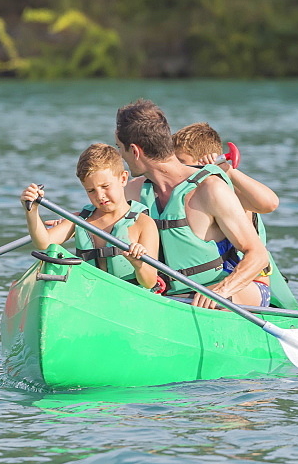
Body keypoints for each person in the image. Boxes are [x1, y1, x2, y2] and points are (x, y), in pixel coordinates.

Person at [116, 99, 270, 309]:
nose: (120, 156)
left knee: (217, 304)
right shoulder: (134, 190)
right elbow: (102, 216)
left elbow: (258, 255)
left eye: (119, 148)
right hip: (176, 297)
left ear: (134, 151)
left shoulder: (210, 189)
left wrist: (221, 290)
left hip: (234, 291)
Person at [172, 122, 298, 310]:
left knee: (198, 301)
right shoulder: (186, 196)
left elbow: (270, 203)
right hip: (206, 285)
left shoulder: (230, 194)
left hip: (249, 285)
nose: (175, 169)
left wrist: (227, 171)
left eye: (181, 162)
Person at [20, 143, 161, 291]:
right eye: (91, 190)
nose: (100, 196)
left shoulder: (144, 223)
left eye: (105, 186)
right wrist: (31, 210)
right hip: (91, 296)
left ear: (123, 179)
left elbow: (149, 282)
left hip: (130, 299)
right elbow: (44, 243)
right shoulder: (81, 220)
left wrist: (139, 264)